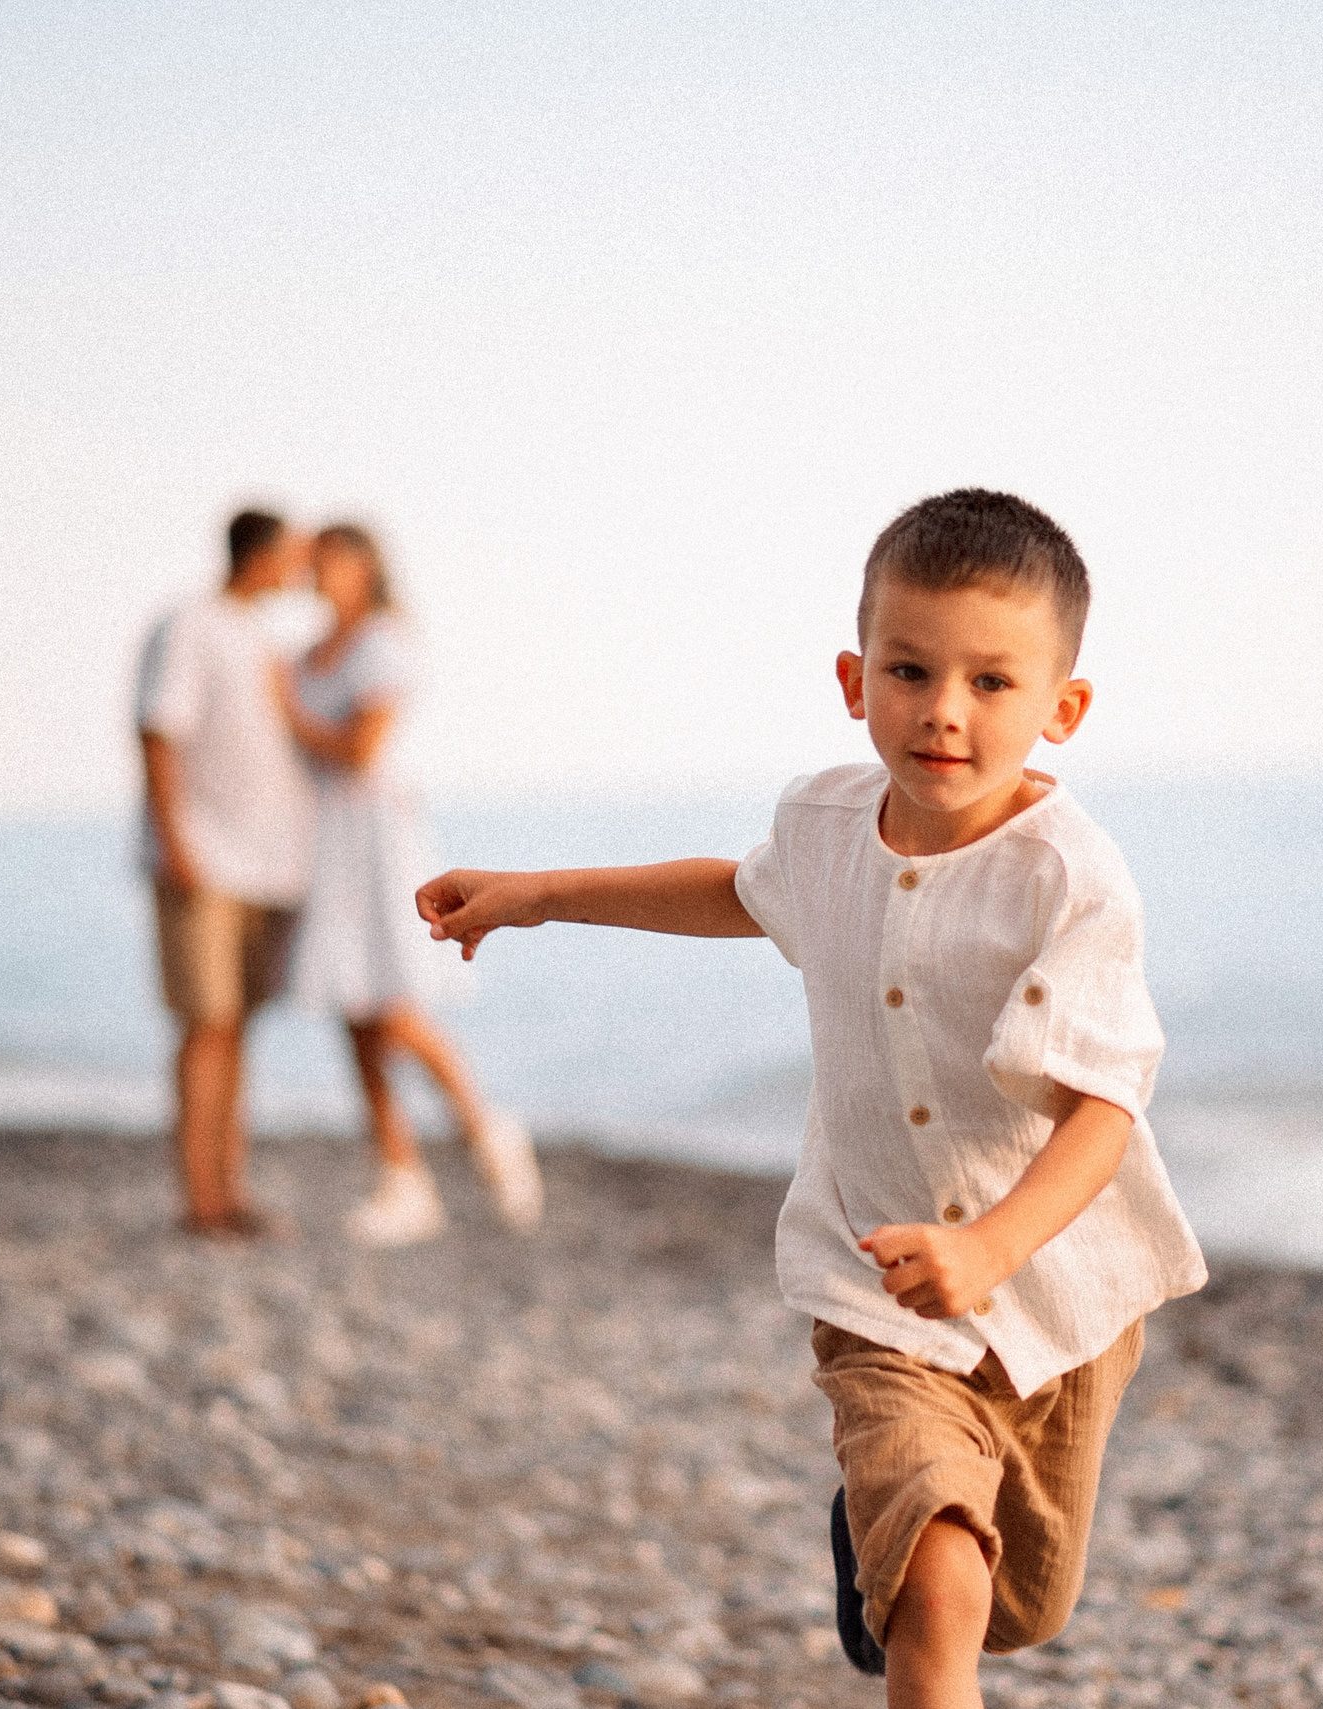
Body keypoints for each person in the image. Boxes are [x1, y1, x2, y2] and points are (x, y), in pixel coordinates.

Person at [415, 490, 1206, 1709]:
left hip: (1058, 1290)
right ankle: (901, 1546)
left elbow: (1103, 1109)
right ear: (854, 678)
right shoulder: (826, 824)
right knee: (941, 1589)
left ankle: (874, 1539)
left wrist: (992, 1244)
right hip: (871, 1273)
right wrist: (542, 892)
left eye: (992, 681)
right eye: (910, 669)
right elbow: (740, 893)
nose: (943, 708)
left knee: (1022, 1602)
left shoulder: (1071, 879)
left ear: (1062, 708)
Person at [274, 523, 540, 1246]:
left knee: (388, 1002)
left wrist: (288, 711)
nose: (319, 573)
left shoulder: (384, 643)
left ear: (365, 567)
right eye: (315, 562)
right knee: (352, 1007)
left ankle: (482, 1127)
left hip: (371, 836)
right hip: (322, 836)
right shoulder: (307, 652)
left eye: (333, 561)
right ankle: (401, 1172)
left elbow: (361, 751)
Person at [135, 509, 317, 1239]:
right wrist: (176, 843)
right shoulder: (188, 624)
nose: (301, 570)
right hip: (205, 858)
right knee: (206, 1023)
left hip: (265, 867)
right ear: (262, 555)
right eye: (293, 556)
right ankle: (201, 1198)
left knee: (236, 1027)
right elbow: (157, 732)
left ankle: (228, 1190)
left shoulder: (263, 640)